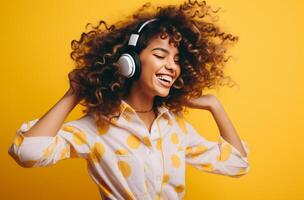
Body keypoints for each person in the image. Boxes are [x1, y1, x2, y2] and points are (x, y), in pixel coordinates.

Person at [8, 0, 250, 199]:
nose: (171, 66)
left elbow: (237, 164)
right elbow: (28, 153)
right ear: (130, 62)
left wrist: (214, 106)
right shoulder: (97, 127)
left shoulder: (175, 127)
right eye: (160, 55)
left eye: (176, 60)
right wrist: (74, 94)